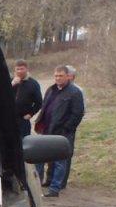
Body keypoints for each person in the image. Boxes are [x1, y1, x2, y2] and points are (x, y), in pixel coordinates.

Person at [33, 64, 84, 198]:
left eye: (61, 75)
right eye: (56, 75)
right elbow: (45, 107)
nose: (58, 78)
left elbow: (77, 113)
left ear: (68, 76)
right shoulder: (51, 90)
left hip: (62, 133)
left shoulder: (74, 92)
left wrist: (66, 128)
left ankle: (55, 188)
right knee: (40, 158)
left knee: (60, 161)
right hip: (47, 130)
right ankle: (37, 186)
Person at [12, 59, 42, 139]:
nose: (20, 71)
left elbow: (39, 102)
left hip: (23, 120)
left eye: (22, 69)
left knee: (24, 143)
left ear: (26, 69)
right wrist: (12, 84)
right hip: (9, 119)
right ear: (15, 70)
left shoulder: (33, 83)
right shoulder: (10, 81)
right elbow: (2, 95)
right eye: (17, 69)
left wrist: (31, 113)